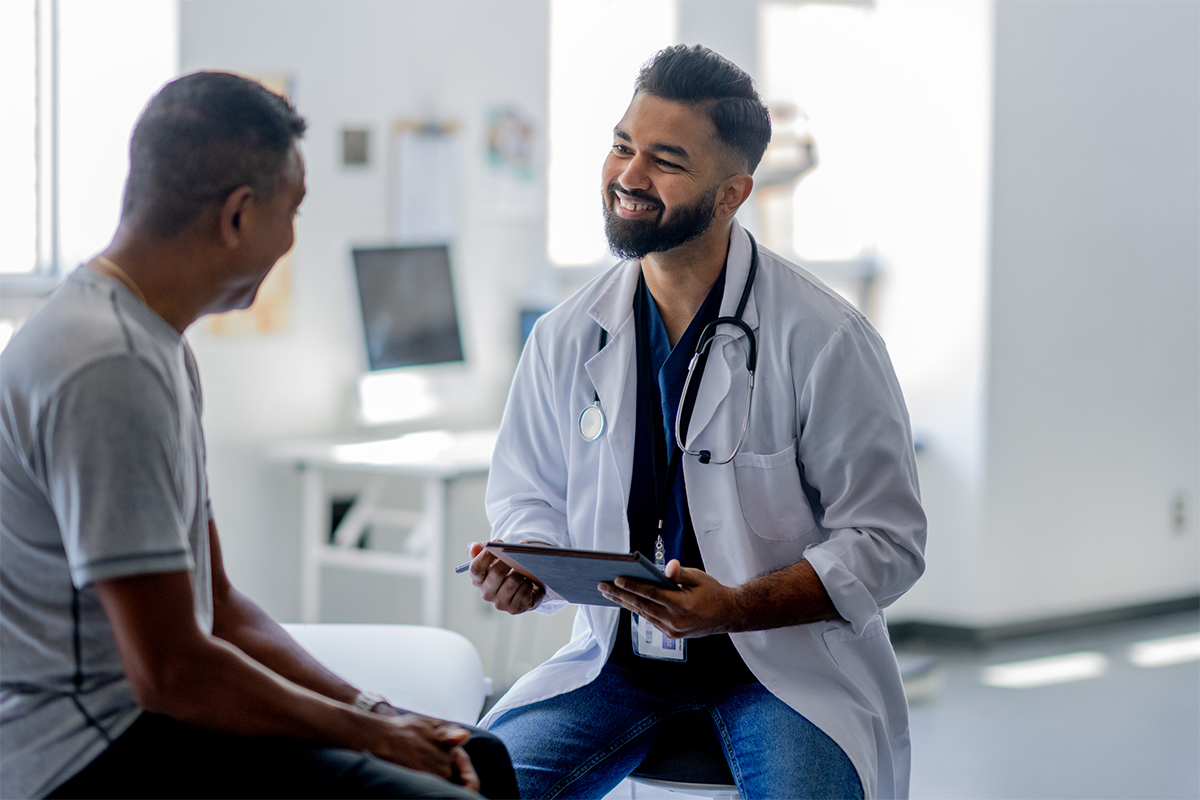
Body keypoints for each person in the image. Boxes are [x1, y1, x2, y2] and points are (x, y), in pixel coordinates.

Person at [0, 72, 516, 800]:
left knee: (481, 757)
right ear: (238, 215)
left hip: (150, 722)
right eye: (293, 211)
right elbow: (171, 671)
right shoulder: (105, 363)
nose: (292, 240)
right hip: (84, 754)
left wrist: (378, 710)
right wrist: (374, 737)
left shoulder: (158, 345)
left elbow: (220, 606)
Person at [467, 45, 926, 800]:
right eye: (622, 146)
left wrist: (737, 608)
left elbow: (889, 542)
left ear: (731, 193)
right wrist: (532, 567)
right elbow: (528, 498)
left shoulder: (823, 338)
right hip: (615, 667)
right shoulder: (566, 334)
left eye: (665, 161)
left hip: (781, 672)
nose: (628, 176)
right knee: (474, 786)